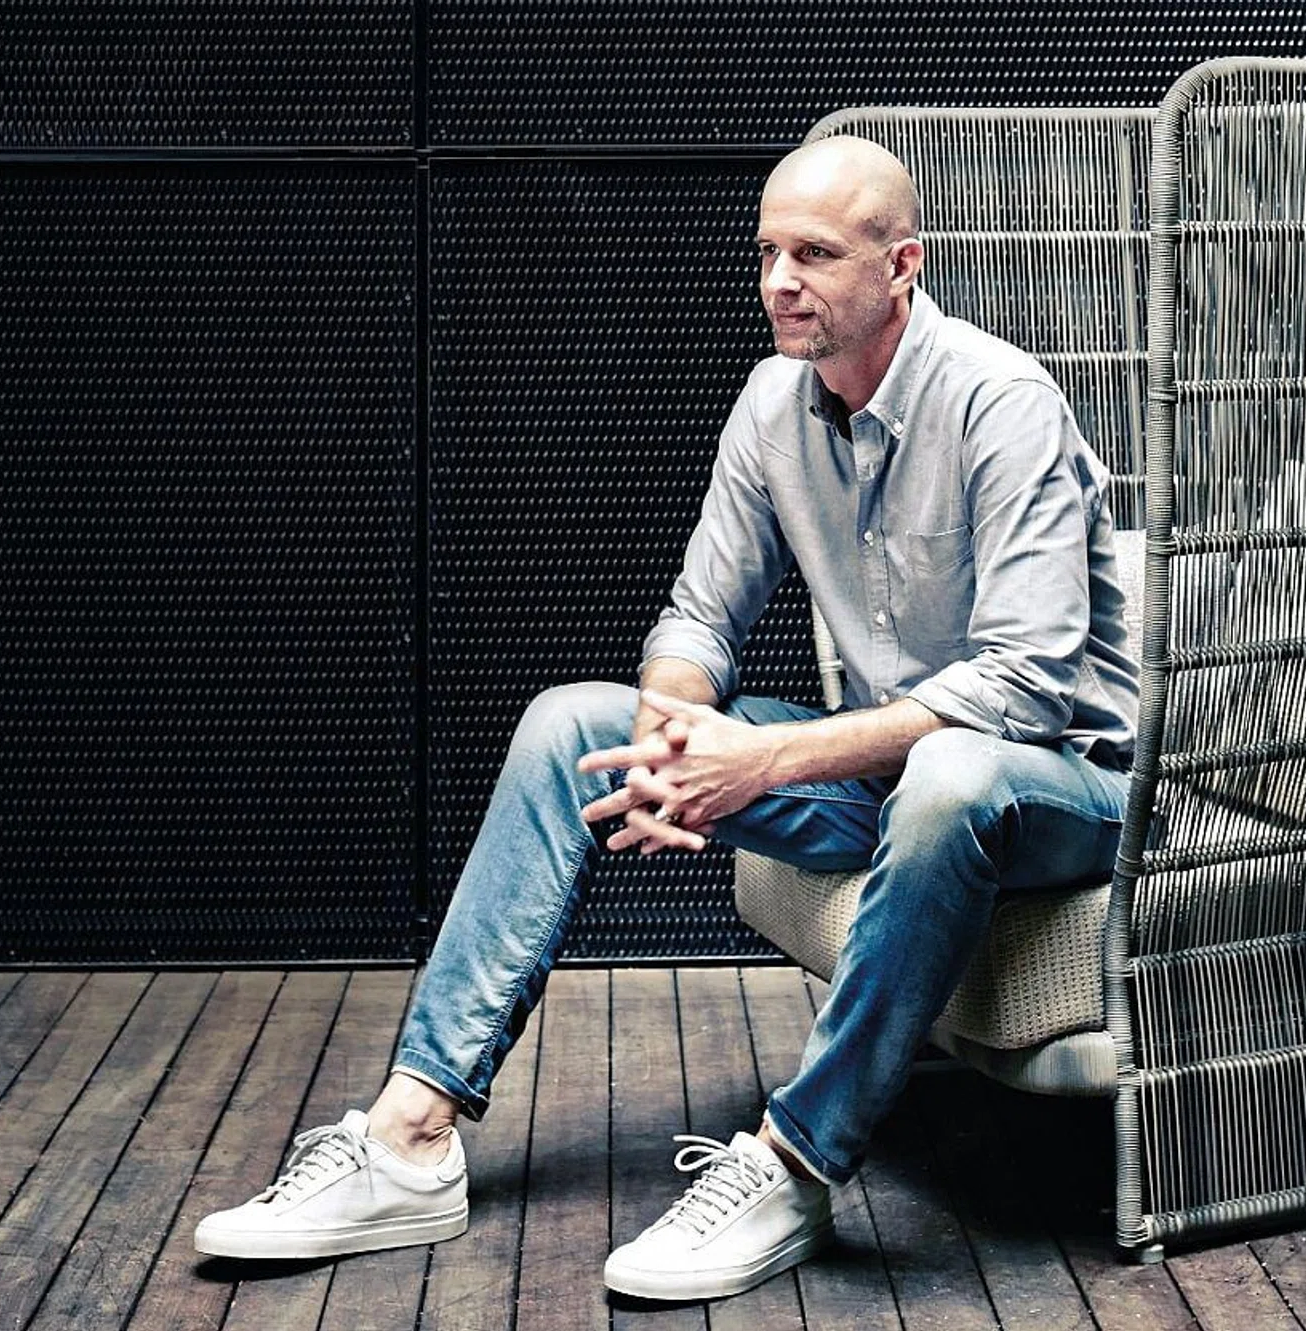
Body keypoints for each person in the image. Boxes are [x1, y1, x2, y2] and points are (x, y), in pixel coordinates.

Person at [193, 134, 1138, 1303]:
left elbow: (1024, 687)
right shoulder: (772, 402)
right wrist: (668, 741)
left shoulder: (1002, 402)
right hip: (887, 777)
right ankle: (410, 1136)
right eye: (767, 253)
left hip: (1070, 788)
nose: (779, 281)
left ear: (902, 265)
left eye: (814, 254)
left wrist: (763, 758)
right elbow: (698, 620)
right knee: (566, 728)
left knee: (952, 773)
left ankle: (795, 1162)